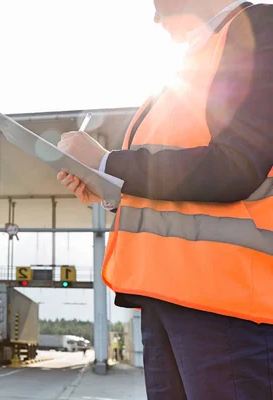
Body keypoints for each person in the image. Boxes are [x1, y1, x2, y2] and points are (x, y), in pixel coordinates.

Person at [57, 1, 273, 399]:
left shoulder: (259, 27)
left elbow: (237, 165)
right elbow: (175, 183)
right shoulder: (188, 67)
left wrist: (106, 160)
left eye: (159, 4)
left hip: (225, 302)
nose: (155, 18)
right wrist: (110, 188)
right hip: (167, 298)